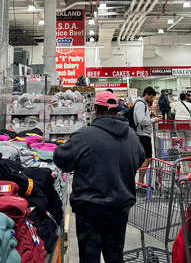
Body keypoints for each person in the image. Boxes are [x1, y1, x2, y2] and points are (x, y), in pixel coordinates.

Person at [53, 91, 145, 263]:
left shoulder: (85, 136)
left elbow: (61, 159)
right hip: (120, 207)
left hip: (90, 209)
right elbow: (139, 160)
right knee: (115, 255)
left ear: (95, 109)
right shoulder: (132, 136)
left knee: (89, 257)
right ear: (117, 110)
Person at [132, 86, 158, 183]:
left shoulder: (142, 104)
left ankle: (140, 182)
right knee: (147, 159)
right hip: (142, 135)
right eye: (151, 97)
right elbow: (141, 120)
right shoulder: (140, 104)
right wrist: (153, 120)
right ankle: (140, 183)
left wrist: (150, 115)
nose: (151, 99)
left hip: (143, 134)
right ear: (146, 94)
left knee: (145, 159)